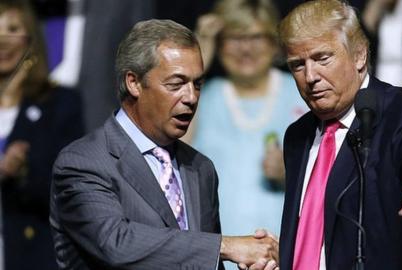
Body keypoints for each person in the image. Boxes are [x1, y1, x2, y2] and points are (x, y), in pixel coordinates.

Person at [49, 19, 279, 270]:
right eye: (176, 84)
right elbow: (116, 244)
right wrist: (225, 246)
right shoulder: (85, 162)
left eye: (197, 84)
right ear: (133, 82)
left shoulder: (200, 168)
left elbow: (199, 260)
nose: (191, 97)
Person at [277, 1, 402, 269]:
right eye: (297, 65)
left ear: (359, 55)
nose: (310, 76)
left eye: (322, 58)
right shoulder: (297, 136)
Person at [188, 0, 306, 255]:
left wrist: (294, 171)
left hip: (288, 251)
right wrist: (196, 65)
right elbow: (170, 159)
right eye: (234, 38)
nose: (245, 49)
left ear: (274, 42)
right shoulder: (200, 97)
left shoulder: (302, 92)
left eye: (256, 37)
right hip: (218, 252)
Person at [0, 0, 84, 269]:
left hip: (30, 253)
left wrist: (22, 171)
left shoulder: (60, 104)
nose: (3, 40)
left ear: (31, 38)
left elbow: (71, 187)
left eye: (12, 28)